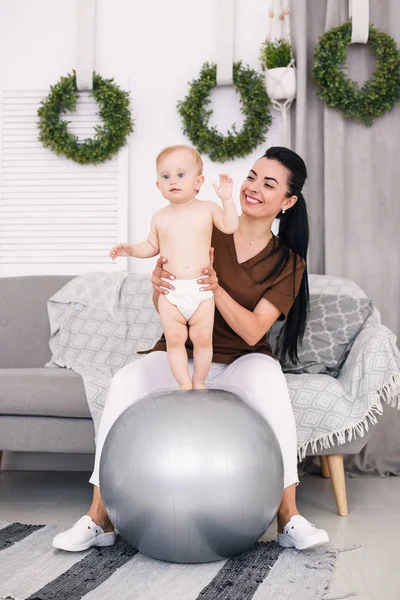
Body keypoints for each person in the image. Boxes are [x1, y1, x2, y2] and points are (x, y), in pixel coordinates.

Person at [53, 146, 329, 553]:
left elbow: (253, 330)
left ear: (287, 202)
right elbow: (169, 298)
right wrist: (160, 286)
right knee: (125, 381)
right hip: (179, 353)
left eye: (269, 184)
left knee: (271, 382)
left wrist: (214, 289)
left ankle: (288, 517)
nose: (253, 188)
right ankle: (100, 518)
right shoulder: (204, 221)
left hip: (241, 359)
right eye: (252, 176)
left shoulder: (287, 262)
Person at [109, 145, 239, 390]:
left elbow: (230, 225)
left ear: (198, 182)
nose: (173, 181)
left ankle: (199, 381)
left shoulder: (208, 208)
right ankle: (183, 383)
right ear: (158, 185)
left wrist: (226, 199)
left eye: (181, 174)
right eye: (166, 176)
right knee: (175, 340)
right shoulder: (160, 216)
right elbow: (150, 245)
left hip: (201, 289)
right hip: (171, 292)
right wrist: (131, 250)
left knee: (202, 339)